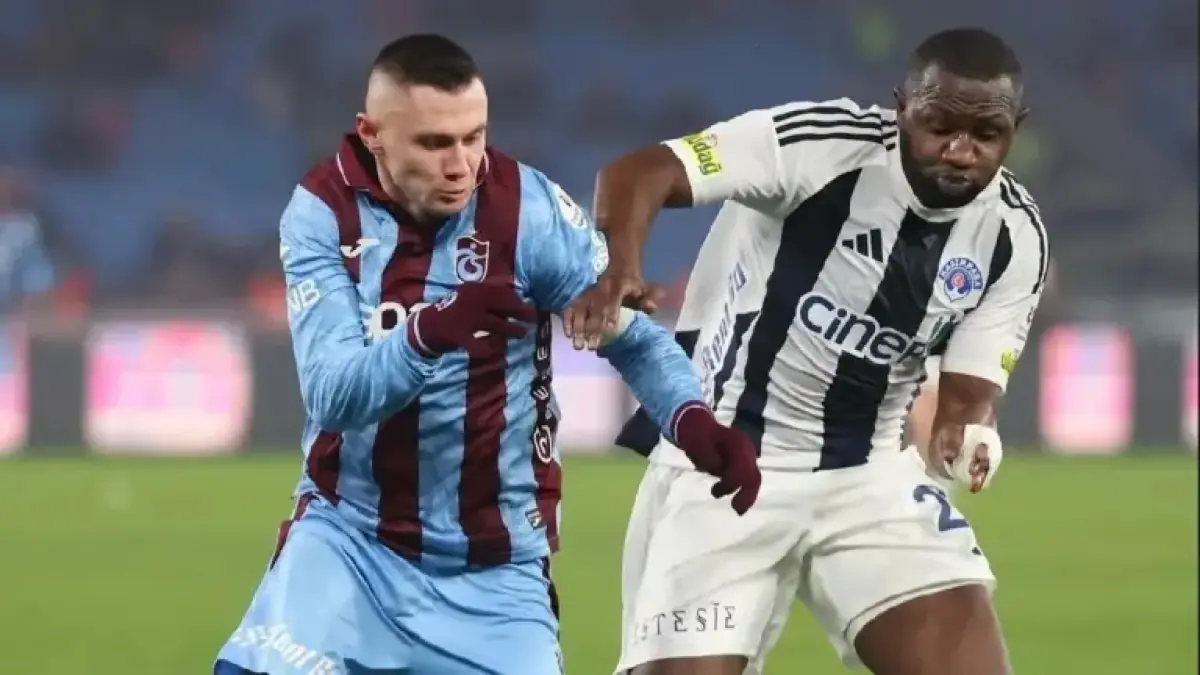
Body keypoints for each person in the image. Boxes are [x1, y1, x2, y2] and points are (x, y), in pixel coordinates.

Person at [213, 34, 760, 675]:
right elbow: (334, 396)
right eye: (434, 143)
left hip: (497, 571)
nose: (461, 165)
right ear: (372, 135)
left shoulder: (527, 211)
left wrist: (692, 420)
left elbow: (634, 339)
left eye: (473, 137)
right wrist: (433, 330)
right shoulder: (323, 214)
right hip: (350, 543)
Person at [570, 27, 1047, 675]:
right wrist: (620, 265)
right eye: (940, 127)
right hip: (723, 462)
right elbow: (641, 172)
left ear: (1016, 127)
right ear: (902, 108)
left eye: (986, 135)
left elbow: (966, 399)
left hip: (870, 478)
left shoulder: (1014, 238)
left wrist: (965, 435)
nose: (960, 152)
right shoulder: (816, 147)